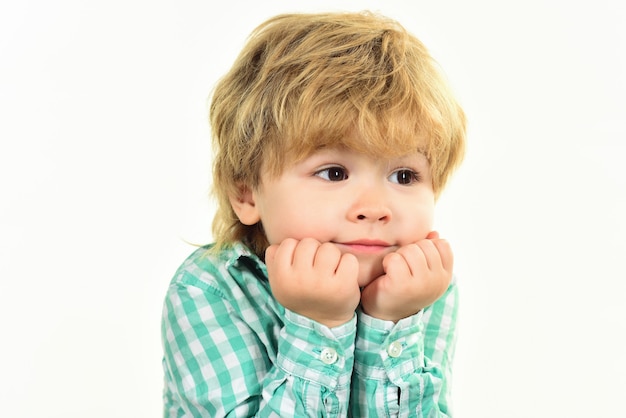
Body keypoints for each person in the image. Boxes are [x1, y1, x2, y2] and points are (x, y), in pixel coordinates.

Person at [161, 10, 466, 417]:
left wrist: (391, 323)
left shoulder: (424, 288)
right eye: (334, 172)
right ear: (246, 192)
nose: (374, 209)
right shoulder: (209, 290)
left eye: (405, 175)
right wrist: (321, 324)